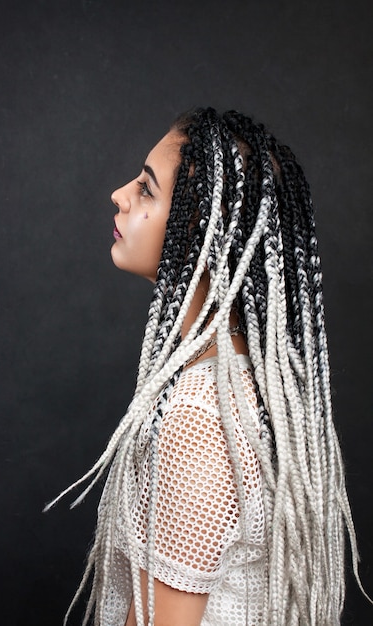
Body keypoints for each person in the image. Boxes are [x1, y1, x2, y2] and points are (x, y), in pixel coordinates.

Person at [45, 108, 368, 625]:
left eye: (147, 190)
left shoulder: (201, 418)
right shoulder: (254, 388)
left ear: (203, 230)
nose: (120, 194)